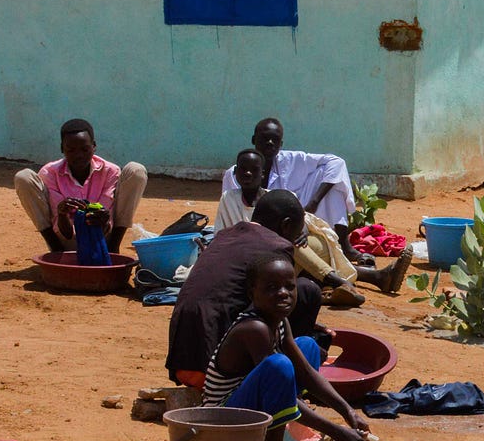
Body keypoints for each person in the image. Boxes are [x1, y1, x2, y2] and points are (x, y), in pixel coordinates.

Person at [202, 252, 376, 441]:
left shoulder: (279, 322)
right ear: (252, 293)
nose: (283, 293)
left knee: (308, 346)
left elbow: (307, 374)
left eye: (289, 286)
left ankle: (284, 425)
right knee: (279, 365)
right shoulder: (254, 328)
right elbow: (278, 380)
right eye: (271, 288)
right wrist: (336, 431)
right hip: (221, 422)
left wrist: (348, 413)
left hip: (247, 408)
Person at [166, 190, 327, 390]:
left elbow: (228, 295)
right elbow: (269, 306)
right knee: (307, 291)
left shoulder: (225, 235)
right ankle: (291, 375)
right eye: (296, 232)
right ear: (285, 225)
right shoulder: (277, 246)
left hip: (184, 361)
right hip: (217, 371)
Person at [212, 148, 412, 302]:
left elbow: (303, 220)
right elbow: (221, 236)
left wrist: (302, 230)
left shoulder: (273, 198)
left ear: (263, 174)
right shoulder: (228, 199)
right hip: (253, 261)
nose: (247, 174)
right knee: (289, 246)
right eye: (243, 169)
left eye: (254, 170)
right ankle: (342, 281)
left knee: (311, 245)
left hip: (284, 258)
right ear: (235, 173)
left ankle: (362, 280)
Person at [13, 118, 147, 254]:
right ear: (62, 148)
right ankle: (56, 250)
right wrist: (62, 214)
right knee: (24, 177)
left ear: (94, 146)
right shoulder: (50, 173)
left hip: (101, 238)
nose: (79, 156)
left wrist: (102, 218)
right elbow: (64, 231)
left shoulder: (110, 171)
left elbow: (105, 221)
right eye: (71, 150)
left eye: (85, 149)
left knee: (136, 170)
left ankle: (113, 248)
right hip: (66, 240)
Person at [222, 118, 361, 247]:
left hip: (290, 222)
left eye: (275, 140)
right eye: (265, 138)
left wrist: (313, 203)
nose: (270, 142)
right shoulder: (234, 174)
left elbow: (336, 163)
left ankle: (343, 243)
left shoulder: (291, 160)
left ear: (281, 144)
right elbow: (231, 211)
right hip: (253, 230)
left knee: (332, 181)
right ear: (254, 139)